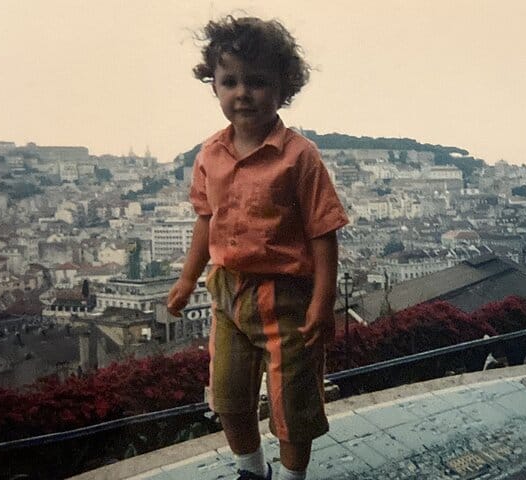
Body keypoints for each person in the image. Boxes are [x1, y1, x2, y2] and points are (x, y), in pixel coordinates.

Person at [167, 16, 348, 480]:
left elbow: (323, 232)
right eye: (230, 82)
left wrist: (323, 301)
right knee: (227, 397)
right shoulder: (209, 154)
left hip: (286, 297)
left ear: (283, 88)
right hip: (227, 292)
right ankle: (251, 469)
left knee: (293, 404)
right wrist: (188, 279)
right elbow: (205, 220)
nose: (242, 93)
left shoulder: (300, 156)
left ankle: (292, 476)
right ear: (214, 85)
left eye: (257, 82)